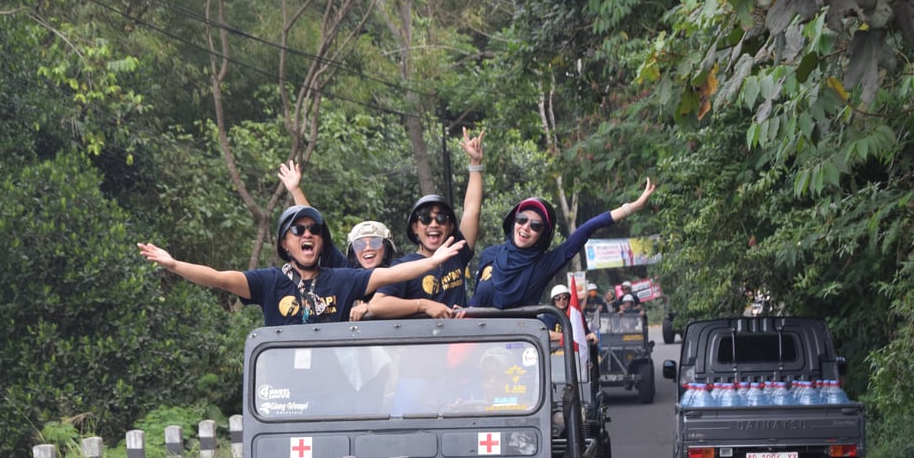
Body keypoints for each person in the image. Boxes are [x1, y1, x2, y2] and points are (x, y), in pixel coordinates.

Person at [138, 206, 462, 326]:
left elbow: (391, 274)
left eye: (314, 230)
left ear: (321, 241)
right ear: (284, 243)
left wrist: (431, 261)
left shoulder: (341, 279)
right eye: (298, 230)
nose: (308, 234)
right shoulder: (268, 282)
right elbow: (221, 279)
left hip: (335, 387)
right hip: (287, 389)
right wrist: (174, 264)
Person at [468, 178, 656, 310]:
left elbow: (586, 229)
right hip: (479, 340)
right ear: (513, 221)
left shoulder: (543, 265)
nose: (525, 228)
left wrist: (631, 207)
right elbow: (475, 300)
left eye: (535, 225)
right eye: (522, 219)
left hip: (518, 346)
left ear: (542, 235)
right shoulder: (489, 254)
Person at [366, 128, 485, 319]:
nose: (433, 224)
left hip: (458, 343)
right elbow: (377, 305)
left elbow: (472, 210)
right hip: (420, 345)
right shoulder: (405, 266)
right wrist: (424, 305)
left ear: (450, 226)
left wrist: (475, 163)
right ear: (415, 227)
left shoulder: (457, 253)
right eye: (425, 218)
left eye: (440, 218)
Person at [276, 161, 396, 320]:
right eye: (360, 244)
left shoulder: (397, 274)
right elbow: (315, 233)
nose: (367, 248)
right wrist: (296, 191)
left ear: (386, 247)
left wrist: (369, 307)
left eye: (374, 242)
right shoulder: (346, 274)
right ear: (352, 250)